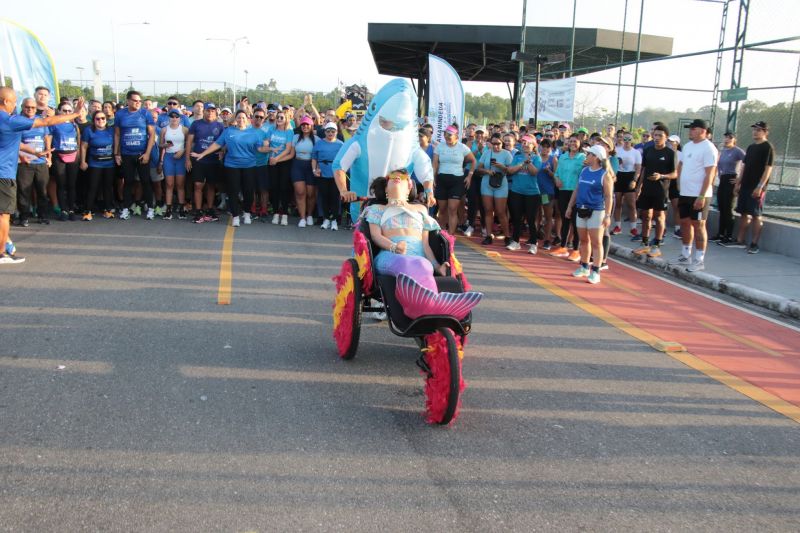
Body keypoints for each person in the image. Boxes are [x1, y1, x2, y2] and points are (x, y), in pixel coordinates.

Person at [362, 169, 482, 320]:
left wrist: (437, 267)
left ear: (409, 186)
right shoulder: (376, 209)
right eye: (392, 177)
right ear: (386, 187)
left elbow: (425, 245)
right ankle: (426, 306)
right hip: (389, 255)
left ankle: (430, 305)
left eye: (403, 177)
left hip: (418, 259)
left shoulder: (420, 209)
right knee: (413, 263)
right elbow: (375, 236)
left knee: (424, 265)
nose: (397, 177)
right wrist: (393, 246)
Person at [1, 88, 84, 263]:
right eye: (14, 102)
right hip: (4, 174)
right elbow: (47, 121)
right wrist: (75, 114)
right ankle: (2, 253)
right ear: (5, 101)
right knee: (4, 215)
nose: (15, 105)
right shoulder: (9, 120)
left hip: (7, 170)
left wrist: (34, 153)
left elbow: (15, 143)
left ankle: (5, 241)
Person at [192, 109, 265, 227]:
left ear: (247, 120)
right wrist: (202, 154)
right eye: (239, 117)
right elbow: (217, 144)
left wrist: (272, 149)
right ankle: (235, 216)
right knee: (233, 191)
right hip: (232, 165)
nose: (241, 120)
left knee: (248, 191)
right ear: (235, 119)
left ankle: (247, 212)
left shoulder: (254, 132)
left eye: (243, 118)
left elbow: (260, 148)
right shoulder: (228, 131)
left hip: (249, 166)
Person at [670, 119, 718, 272]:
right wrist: (679, 183)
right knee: (685, 222)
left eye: (693, 128)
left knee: (699, 225)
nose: (690, 131)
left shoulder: (709, 148)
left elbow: (710, 174)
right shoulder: (688, 146)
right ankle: (686, 255)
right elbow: (681, 165)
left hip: (699, 195)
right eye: (690, 129)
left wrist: (701, 196)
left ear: (703, 131)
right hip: (685, 193)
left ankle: (699, 260)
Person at [565, 145, 614, 284]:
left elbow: (608, 196)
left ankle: (596, 271)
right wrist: (570, 206)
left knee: (596, 242)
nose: (586, 156)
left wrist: (607, 215)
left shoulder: (604, 174)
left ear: (596, 157)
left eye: (589, 154)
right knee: (583, 240)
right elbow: (577, 189)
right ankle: (584, 267)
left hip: (597, 211)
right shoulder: (584, 171)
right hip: (581, 209)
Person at [727, 121, 775, 254]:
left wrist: (760, 186)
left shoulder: (768, 147)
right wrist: (738, 183)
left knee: (756, 215)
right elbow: (744, 166)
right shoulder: (751, 147)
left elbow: (768, 169)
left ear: (765, 132)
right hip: (745, 186)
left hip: (757, 187)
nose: (755, 132)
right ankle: (740, 241)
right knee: (744, 213)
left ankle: (754, 244)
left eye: (759, 130)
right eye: (754, 129)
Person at [632, 125, 676, 258]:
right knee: (646, 216)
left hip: (661, 190)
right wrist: (639, 187)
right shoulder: (648, 150)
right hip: (647, 189)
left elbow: (675, 174)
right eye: (655, 135)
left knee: (659, 217)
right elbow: (644, 169)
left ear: (666, 137)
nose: (657, 138)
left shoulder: (670, 153)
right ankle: (644, 244)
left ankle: (656, 245)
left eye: (660, 136)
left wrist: (661, 176)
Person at [114, 90, 156, 220]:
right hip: (126, 154)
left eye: (139, 101)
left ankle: (150, 209)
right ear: (128, 101)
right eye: (135, 100)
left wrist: (147, 153)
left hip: (142, 154)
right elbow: (117, 134)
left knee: (145, 181)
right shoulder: (120, 114)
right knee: (128, 182)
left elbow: (152, 135)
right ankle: (126, 209)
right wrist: (116, 154)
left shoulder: (145, 113)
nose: (138, 103)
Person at [432, 125, 476, 235]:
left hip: (457, 181)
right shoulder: (440, 147)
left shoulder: (462, 147)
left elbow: (473, 161)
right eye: (445, 134)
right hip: (442, 180)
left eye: (450, 135)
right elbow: (435, 164)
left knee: (452, 209)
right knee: (442, 209)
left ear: (456, 136)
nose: (447, 137)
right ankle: (442, 234)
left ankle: (451, 236)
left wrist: (469, 176)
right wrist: (433, 178)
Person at [16, 98, 52, 226]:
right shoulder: (17, 122)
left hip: (41, 162)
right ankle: (24, 217)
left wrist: (49, 155)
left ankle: (43, 216)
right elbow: (14, 143)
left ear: (36, 109)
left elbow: (46, 138)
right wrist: (21, 156)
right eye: (27, 107)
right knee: (24, 191)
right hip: (24, 162)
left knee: (42, 191)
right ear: (22, 107)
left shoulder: (40, 121)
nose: (30, 109)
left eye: (32, 107)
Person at [186, 103, 224, 223]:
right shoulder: (196, 124)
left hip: (213, 160)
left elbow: (223, 142)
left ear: (215, 112)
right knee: (198, 185)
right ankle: (198, 211)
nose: (210, 113)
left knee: (211, 186)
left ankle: (209, 209)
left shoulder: (219, 125)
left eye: (212, 111)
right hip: (198, 160)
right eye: (208, 110)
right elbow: (189, 142)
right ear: (204, 111)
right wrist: (187, 159)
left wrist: (222, 151)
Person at [550, 135, 586, 258]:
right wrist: (557, 180)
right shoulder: (563, 156)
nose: (572, 144)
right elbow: (557, 173)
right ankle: (563, 247)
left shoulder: (583, 158)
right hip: (563, 191)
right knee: (564, 219)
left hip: (576, 192)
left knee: (576, 221)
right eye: (570, 141)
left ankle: (576, 250)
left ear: (580, 143)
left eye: (575, 141)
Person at [505, 134, 542, 253]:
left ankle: (533, 243)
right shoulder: (517, 156)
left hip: (532, 193)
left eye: (527, 142)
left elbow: (534, 172)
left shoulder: (537, 158)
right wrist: (521, 164)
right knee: (516, 218)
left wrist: (529, 163)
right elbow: (510, 171)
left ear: (533, 145)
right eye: (523, 142)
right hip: (516, 191)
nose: (524, 144)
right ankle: (516, 242)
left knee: (531, 219)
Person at [476, 133, 513, 246]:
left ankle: (507, 236)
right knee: (488, 210)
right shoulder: (487, 152)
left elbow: (511, 171)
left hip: (501, 184)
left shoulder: (507, 154)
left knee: (501, 211)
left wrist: (501, 166)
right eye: (493, 143)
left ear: (502, 143)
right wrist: (487, 171)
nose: (496, 146)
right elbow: (479, 168)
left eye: (498, 143)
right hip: (487, 183)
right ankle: (488, 235)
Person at [79, 110, 117, 220]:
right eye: (98, 118)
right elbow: (83, 146)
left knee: (108, 187)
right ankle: (88, 211)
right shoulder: (88, 130)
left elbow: (117, 143)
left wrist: (117, 155)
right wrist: (82, 161)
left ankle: (108, 210)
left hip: (109, 164)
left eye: (103, 118)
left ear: (106, 120)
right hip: (95, 164)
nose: (100, 120)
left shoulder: (111, 130)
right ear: (93, 120)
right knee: (93, 187)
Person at [49, 100, 81, 221]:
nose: (67, 113)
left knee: (72, 184)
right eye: (64, 110)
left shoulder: (74, 125)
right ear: (59, 111)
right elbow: (48, 140)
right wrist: (49, 156)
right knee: (61, 184)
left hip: (73, 155)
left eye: (69, 111)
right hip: (58, 155)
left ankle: (71, 210)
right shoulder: (54, 124)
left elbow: (78, 141)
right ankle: (63, 210)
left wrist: (79, 155)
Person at [712, 131, 745, 244]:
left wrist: (739, 180)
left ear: (734, 140)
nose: (727, 140)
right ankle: (720, 234)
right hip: (723, 180)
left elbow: (747, 162)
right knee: (722, 208)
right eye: (726, 137)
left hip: (731, 180)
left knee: (728, 209)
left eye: (730, 138)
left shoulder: (737, 151)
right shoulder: (724, 151)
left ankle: (729, 236)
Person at [311, 122, 344, 230]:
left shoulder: (341, 144)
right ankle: (326, 218)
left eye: (333, 131)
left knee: (335, 197)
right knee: (324, 196)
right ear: (324, 132)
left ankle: (334, 219)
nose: (330, 133)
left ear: (336, 132)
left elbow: (344, 160)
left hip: (336, 175)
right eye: (328, 131)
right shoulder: (319, 143)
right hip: (322, 173)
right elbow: (314, 158)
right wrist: (314, 170)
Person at [158, 108, 189, 220]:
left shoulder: (184, 129)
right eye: (172, 116)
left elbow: (189, 143)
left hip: (180, 158)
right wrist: (165, 146)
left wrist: (183, 151)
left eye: (176, 116)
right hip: (169, 157)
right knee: (169, 184)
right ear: (169, 118)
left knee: (180, 185)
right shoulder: (164, 130)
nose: (174, 118)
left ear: (180, 118)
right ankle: (168, 209)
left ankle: (181, 209)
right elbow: (160, 145)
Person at [267, 110, 295, 225]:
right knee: (274, 188)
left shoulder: (289, 132)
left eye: (282, 117)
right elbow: (267, 144)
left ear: (286, 119)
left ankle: (284, 214)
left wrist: (276, 159)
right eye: (278, 117)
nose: (279, 119)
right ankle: (275, 213)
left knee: (284, 188)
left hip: (284, 162)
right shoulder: (271, 130)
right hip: (272, 162)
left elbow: (288, 150)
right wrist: (270, 154)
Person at [612, 132, 642, 237]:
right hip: (618, 177)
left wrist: (634, 180)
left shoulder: (636, 152)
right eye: (625, 139)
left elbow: (638, 168)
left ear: (632, 140)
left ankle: (633, 228)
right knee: (617, 203)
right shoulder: (617, 150)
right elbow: (613, 164)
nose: (627, 141)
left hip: (630, 177)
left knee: (631, 205)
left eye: (629, 139)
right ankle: (617, 226)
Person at [292, 115, 318, 227]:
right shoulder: (295, 137)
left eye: (307, 124)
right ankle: (302, 217)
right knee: (300, 192)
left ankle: (310, 215)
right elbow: (291, 154)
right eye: (303, 124)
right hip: (298, 165)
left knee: (311, 193)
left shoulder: (317, 139)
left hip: (311, 166)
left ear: (311, 126)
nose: (305, 126)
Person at [537, 138, 558, 251]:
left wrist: (549, 172)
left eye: (547, 147)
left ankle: (547, 240)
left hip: (546, 192)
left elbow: (557, 176)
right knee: (536, 214)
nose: (545, 149)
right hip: (535, 191)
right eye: (543, 146)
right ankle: (534, 236)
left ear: (551, 148)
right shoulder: (536, 157)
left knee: (548, 216)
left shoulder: (553, 159)